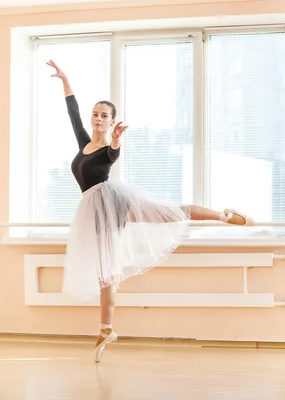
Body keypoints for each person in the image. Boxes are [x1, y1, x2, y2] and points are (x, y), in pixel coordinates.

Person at [46, 60, 254, 363]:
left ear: (112, 120)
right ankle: (107, 329)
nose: (98, 118)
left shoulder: (106, 147)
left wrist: (116, 139)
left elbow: (115, 150)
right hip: (95, 209)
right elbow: (72, 111)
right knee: (107, 271)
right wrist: (65, 80)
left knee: (170, 212)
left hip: (111, 201)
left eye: (104, 115)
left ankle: (224, 215)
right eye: (96, 114)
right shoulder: (84, 143)